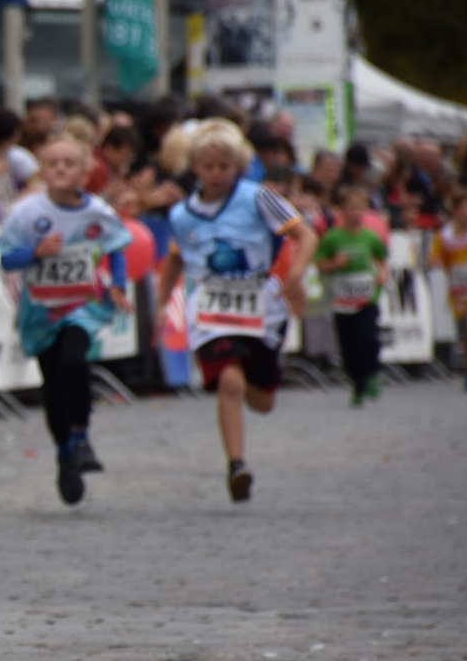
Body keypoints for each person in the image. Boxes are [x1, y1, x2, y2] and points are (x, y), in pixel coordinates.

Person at [154, 119, 317, 503]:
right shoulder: (182, 214)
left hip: (261, 306)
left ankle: (255, 385)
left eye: (224, 166)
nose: (216, 174)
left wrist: (294, 276)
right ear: (195, 167)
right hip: (211, 310)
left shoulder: (258, 197)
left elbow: (305, 234)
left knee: (262, 401)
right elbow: (175, 258)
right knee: (230, 382)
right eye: (208, 166)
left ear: (238, 165)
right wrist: (162, 304)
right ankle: (236, 465)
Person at [0, 134, 133, 506]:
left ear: (85, 172)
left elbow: (117, 246)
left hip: (82, 307)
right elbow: (6, 259)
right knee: (53, 386)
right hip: (41, 311)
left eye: (69, 163)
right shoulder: (26, 212)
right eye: (53, 162)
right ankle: (65, 453)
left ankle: (82, 436)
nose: (60, 169)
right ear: (41, 170)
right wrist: (36, 252)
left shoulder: (98, 211)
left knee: (74, 361)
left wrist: (119, 286)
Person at [314, 184, 390, 406]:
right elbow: (319, 263)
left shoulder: (371, 237)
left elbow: (383, 260)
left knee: (368, 338)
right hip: (343, 301)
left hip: (367, 298)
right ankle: (358, 384)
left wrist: (383, 274)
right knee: (348, 347)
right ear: (341, 211)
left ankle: (373, 372)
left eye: (360, 208)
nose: (356, 213)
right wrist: (334, 264)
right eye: (351, 208)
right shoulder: (333, 238)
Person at [429, 189, 467, 392]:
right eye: (465, 208)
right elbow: (434, 258)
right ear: (455, 210)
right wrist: (435, 262)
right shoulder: (445, 236)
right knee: (466, 337)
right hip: (459, 293)